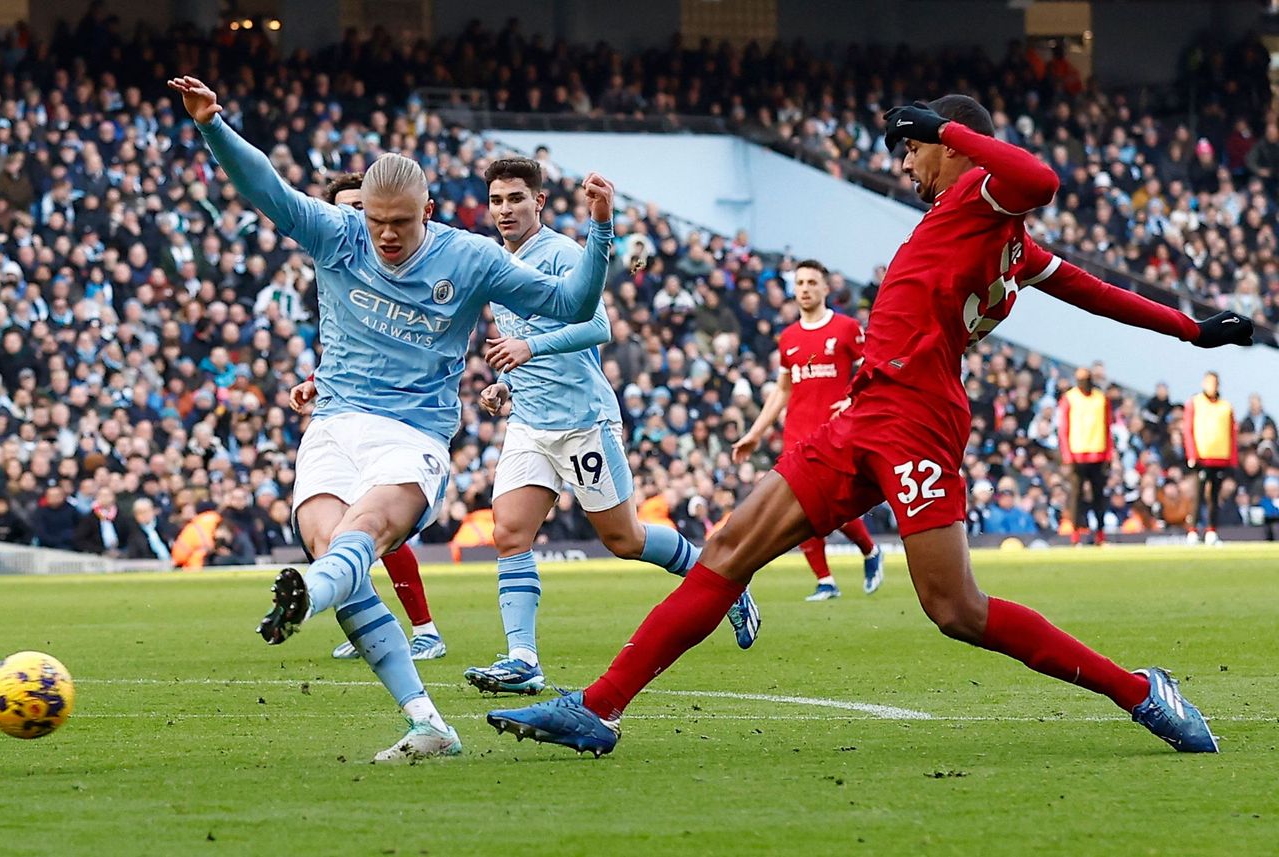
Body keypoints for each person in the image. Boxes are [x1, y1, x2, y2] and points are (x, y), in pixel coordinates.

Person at [489, 94, 1253, 757]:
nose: (908, 165)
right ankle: (598, 706)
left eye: (914, 149)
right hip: (864, 414)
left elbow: (1041, 181)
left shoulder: (985, 196)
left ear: (953, 146)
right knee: (727, 548)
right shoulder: (989, 227)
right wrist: (1189, 329)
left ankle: (1139, 689)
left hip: (918, 420)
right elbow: (1096, 291)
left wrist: (945, 131)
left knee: (956, 609)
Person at [170, 74, 615, 761]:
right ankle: (426, 721)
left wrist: (602, 231)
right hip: (333, 424)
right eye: (376, 221)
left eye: (401, 223)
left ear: (427, 211)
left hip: (411, 434)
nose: (385, 235)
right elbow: (268, 191)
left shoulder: (470, 257)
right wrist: (212, 126)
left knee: (363, 532)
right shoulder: (338, 234)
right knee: (330, 544)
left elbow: (576, 305)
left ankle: (308, 593)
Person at [463, 157, 758, 696]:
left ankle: (726, 584)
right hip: (529, 422)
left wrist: (529, 348)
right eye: (497, 200)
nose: (505, 209)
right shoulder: (497, 262)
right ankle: (523, 659)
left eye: (516, 199)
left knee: (625, 539)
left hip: (581, 422)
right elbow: (523, 339)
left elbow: (597, 326)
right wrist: (507, 382)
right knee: (509, 532)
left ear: (539, 202)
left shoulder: (560, 253)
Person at [318, 172, 447, 663]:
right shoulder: (338, 261)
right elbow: (348, 346)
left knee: (376, 528)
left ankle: (425, 630)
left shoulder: (402, 263)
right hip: (344, 413)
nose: (354, 220)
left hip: (401, 418)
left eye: (361, 209)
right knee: (342, 529)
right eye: (345, 210)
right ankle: (374, 628)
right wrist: (315, 378)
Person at [734, 258, 884, 600]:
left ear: (826, 288)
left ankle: (869, 549)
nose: (805, 289)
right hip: (796, 435)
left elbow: (870, 370)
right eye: (800, 283)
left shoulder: (846, 328)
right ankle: (825, 580)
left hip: (834, 434)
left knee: (831, 507)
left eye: (812, 282)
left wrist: (853, 399)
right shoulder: (788, 337)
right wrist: (755, 433)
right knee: (800, 507)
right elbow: (783, 390)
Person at [1182, 371, 1238, 546]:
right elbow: (1188, 429)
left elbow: (1232, 433)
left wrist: (1232, 459)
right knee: (1198, 495)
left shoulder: (1226, 406)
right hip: (1201, 456)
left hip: (1220, 457)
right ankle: (1192, 531)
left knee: (1214, 497)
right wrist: (1192, 454)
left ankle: (1211, 530)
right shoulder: (1195, 403)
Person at [1057, 367, 1112, 545]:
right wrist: (1067, 455)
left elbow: (1107, 427)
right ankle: (1076, 534)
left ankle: (1100, 534)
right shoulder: (1069, 398)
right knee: (1076, 496)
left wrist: (1108, 454)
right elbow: (1064, 428)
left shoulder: (1101, 398)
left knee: (1099, 496)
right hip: (1077, 454)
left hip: (1098, 454)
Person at [73, 487, 132, 557]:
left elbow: (130, 536)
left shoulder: (121, 516)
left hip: (120, 552)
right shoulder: (90, 518)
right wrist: (101, 551)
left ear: (113, 498)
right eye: (101, 495)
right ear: (96, 498)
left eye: (107, 495)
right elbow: (80, 540)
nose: (105, 498)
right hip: (98, 554)